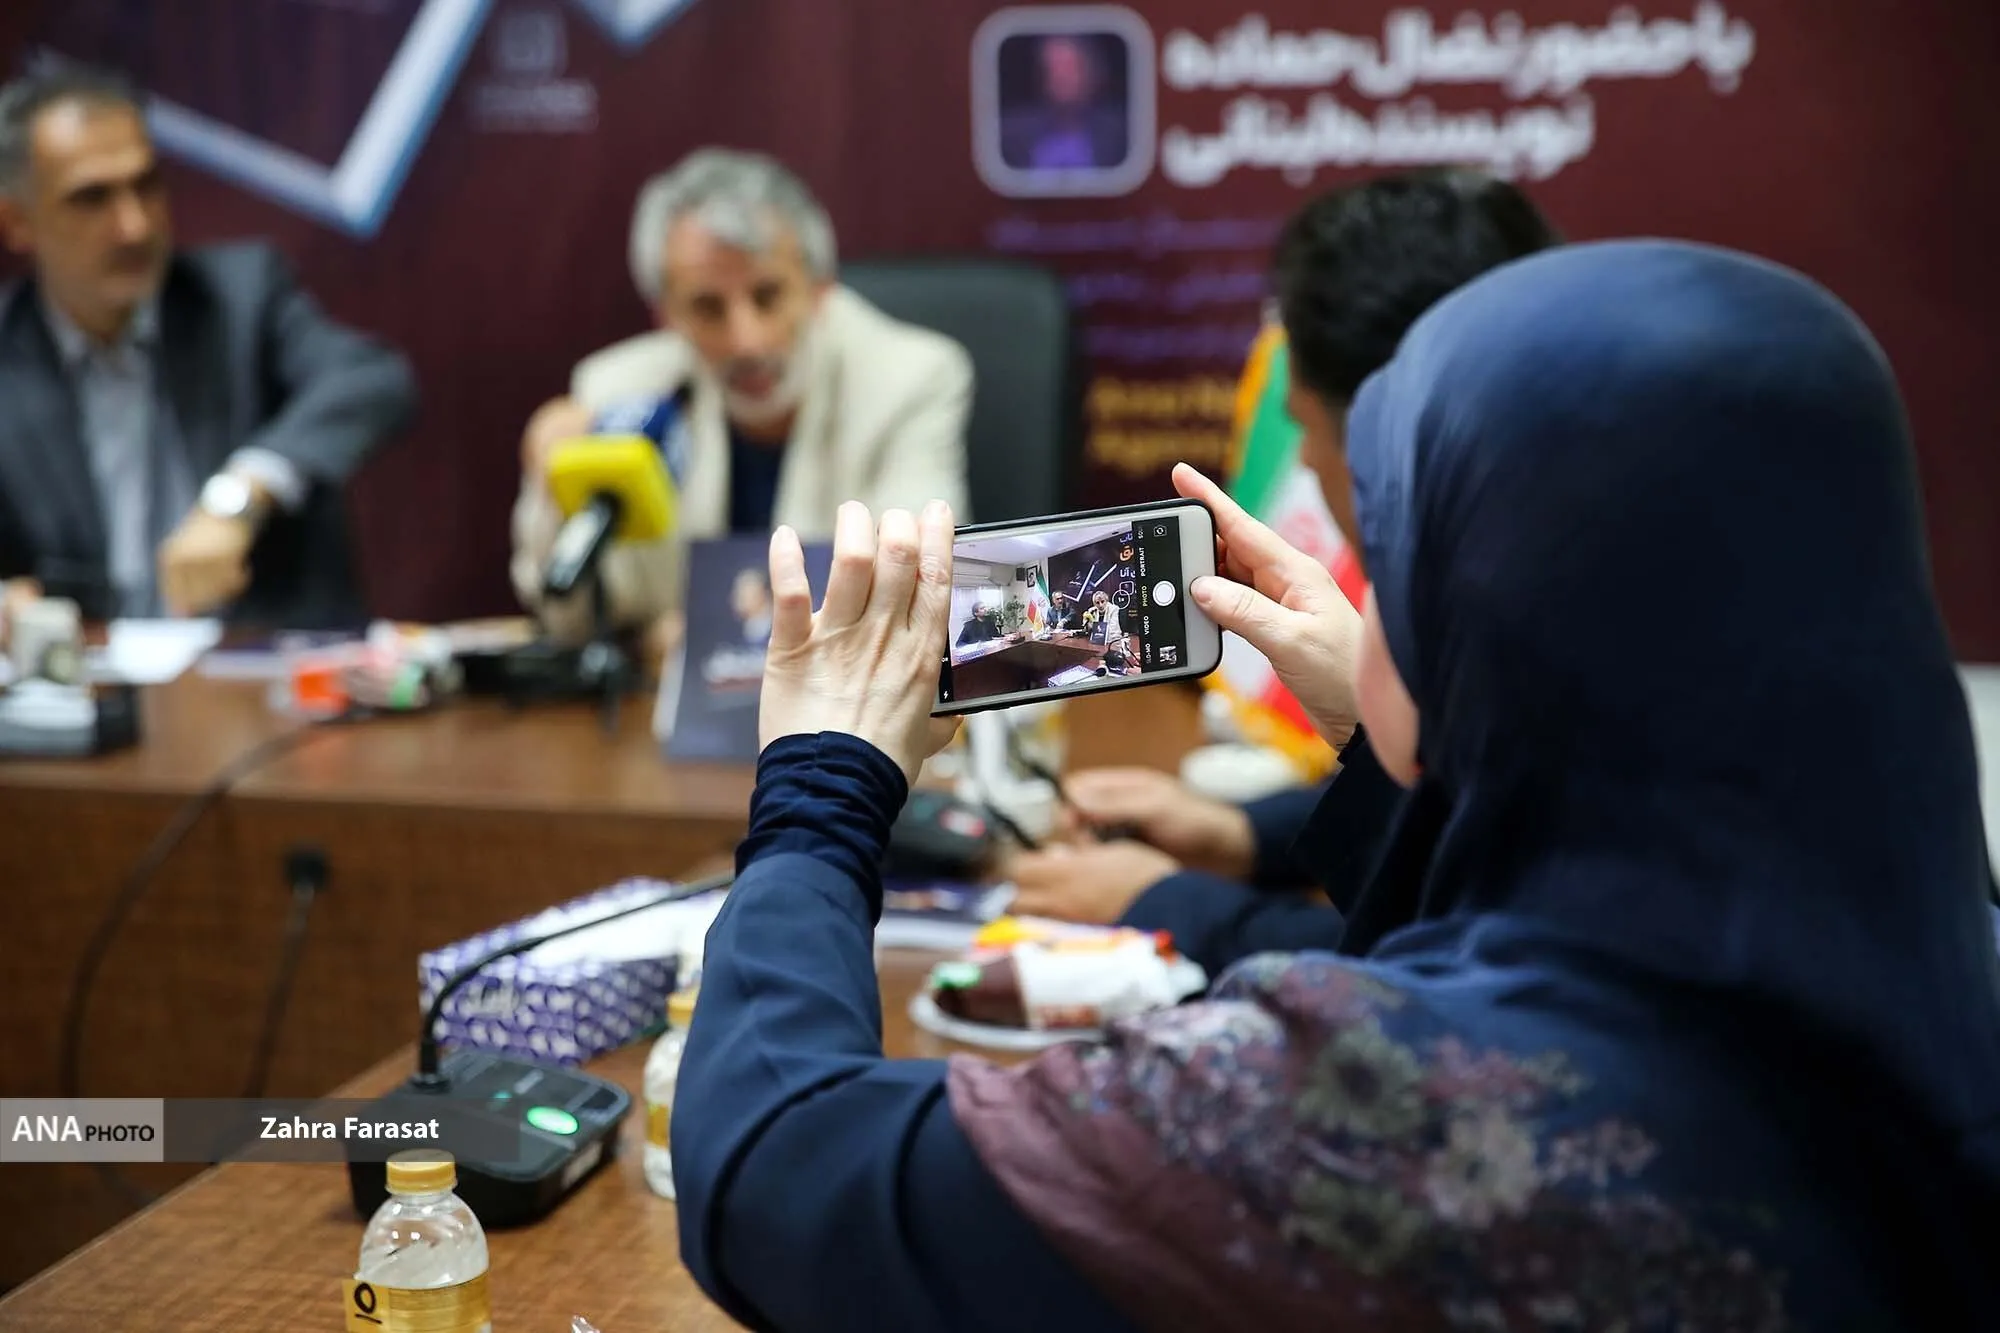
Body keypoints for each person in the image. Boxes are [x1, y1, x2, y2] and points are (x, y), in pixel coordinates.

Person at [671, 240, 2000, 1329]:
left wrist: (825, 781)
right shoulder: (1933, 976)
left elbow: (776, 1175)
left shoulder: (1368, 1120)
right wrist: (1399, 752)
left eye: (1400, 555)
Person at [1009, 168, 1560, 971]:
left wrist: (1165, 903)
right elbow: (1456, 815)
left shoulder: (1551, 635)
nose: (1303, 461)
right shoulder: (1550, 549)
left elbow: (1459, 951)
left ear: (1384, 434)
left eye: (1304, 425)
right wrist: (1244, 835)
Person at [0, 66, 416, 627]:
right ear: (16, 221)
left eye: (146, 185)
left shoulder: (242, 297)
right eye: (91, 198)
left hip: (256, 664)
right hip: (86, 674)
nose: (134, 226)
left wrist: (242, 492)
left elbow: (371, 379)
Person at [508, 148, 972, 651]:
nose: (746, 341)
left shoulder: (909, 379)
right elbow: (568, 616)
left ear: (820, 289)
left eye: (768, 295)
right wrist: (552, 491)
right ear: (665, 316)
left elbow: (912, 595)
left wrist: (705, 640)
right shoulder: (617, 394)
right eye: (708, 307)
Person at [1000, 33, 1128, 172]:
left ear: (1092, 74)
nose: (1061, 78)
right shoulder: (1010, 134)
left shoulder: (1122, 134)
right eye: (1052, 69)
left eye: (1069, 68)